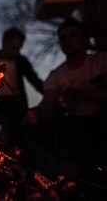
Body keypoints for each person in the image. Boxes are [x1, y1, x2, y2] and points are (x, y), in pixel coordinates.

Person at [26, 18, 107, 175]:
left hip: (102, 118)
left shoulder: (101, 61)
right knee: (28, 123)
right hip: (74, 123)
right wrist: (38, 113)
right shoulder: (56, 75)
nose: (67, 41)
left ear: (85, 40)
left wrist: (80, 94)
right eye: (63, 37)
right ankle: (68, 167)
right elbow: (48, 101)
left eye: (73, 36)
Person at [0, 27, 44, 147]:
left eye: (19, 48)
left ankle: (18, 153)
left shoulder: (21, 61)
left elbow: (34, 80)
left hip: (16, 103)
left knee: (17, 115)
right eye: (15, 48)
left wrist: (49, 93)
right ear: (5, 42)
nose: (17, 52)